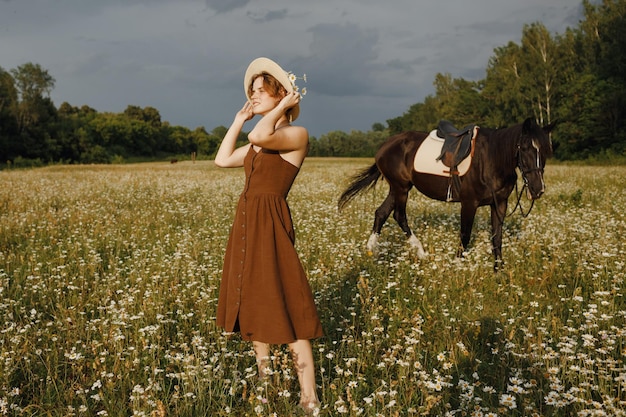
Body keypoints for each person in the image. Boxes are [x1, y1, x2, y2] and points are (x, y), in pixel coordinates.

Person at [214, 57, 323, 414]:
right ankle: (267, 384)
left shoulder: (295, 135)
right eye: (252, 91)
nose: (253, 95)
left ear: (282, 95)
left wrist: (283, 109)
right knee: (253, 303)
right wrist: (237, 121)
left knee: (287, 304)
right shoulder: (260, 141)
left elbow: (261, 134)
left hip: (271, 226)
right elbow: (222, 159)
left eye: (262, 91)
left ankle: (309, 398)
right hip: (247, 224)